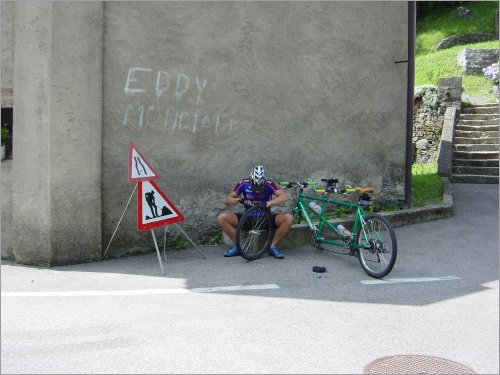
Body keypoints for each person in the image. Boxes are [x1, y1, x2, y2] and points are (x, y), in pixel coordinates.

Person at [217, 165, 293, 259]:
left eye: (260, 186)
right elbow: (227, 200)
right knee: (222, 217)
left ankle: (272, 246)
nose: (257, 189)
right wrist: (240, 199)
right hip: (248, 217)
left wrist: (268, 203)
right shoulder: (243, 183)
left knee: (288, 218)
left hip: (265, 217)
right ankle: (239, 246)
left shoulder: (269, 183)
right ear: (251, 179)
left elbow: (284, 197)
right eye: (255, 185)